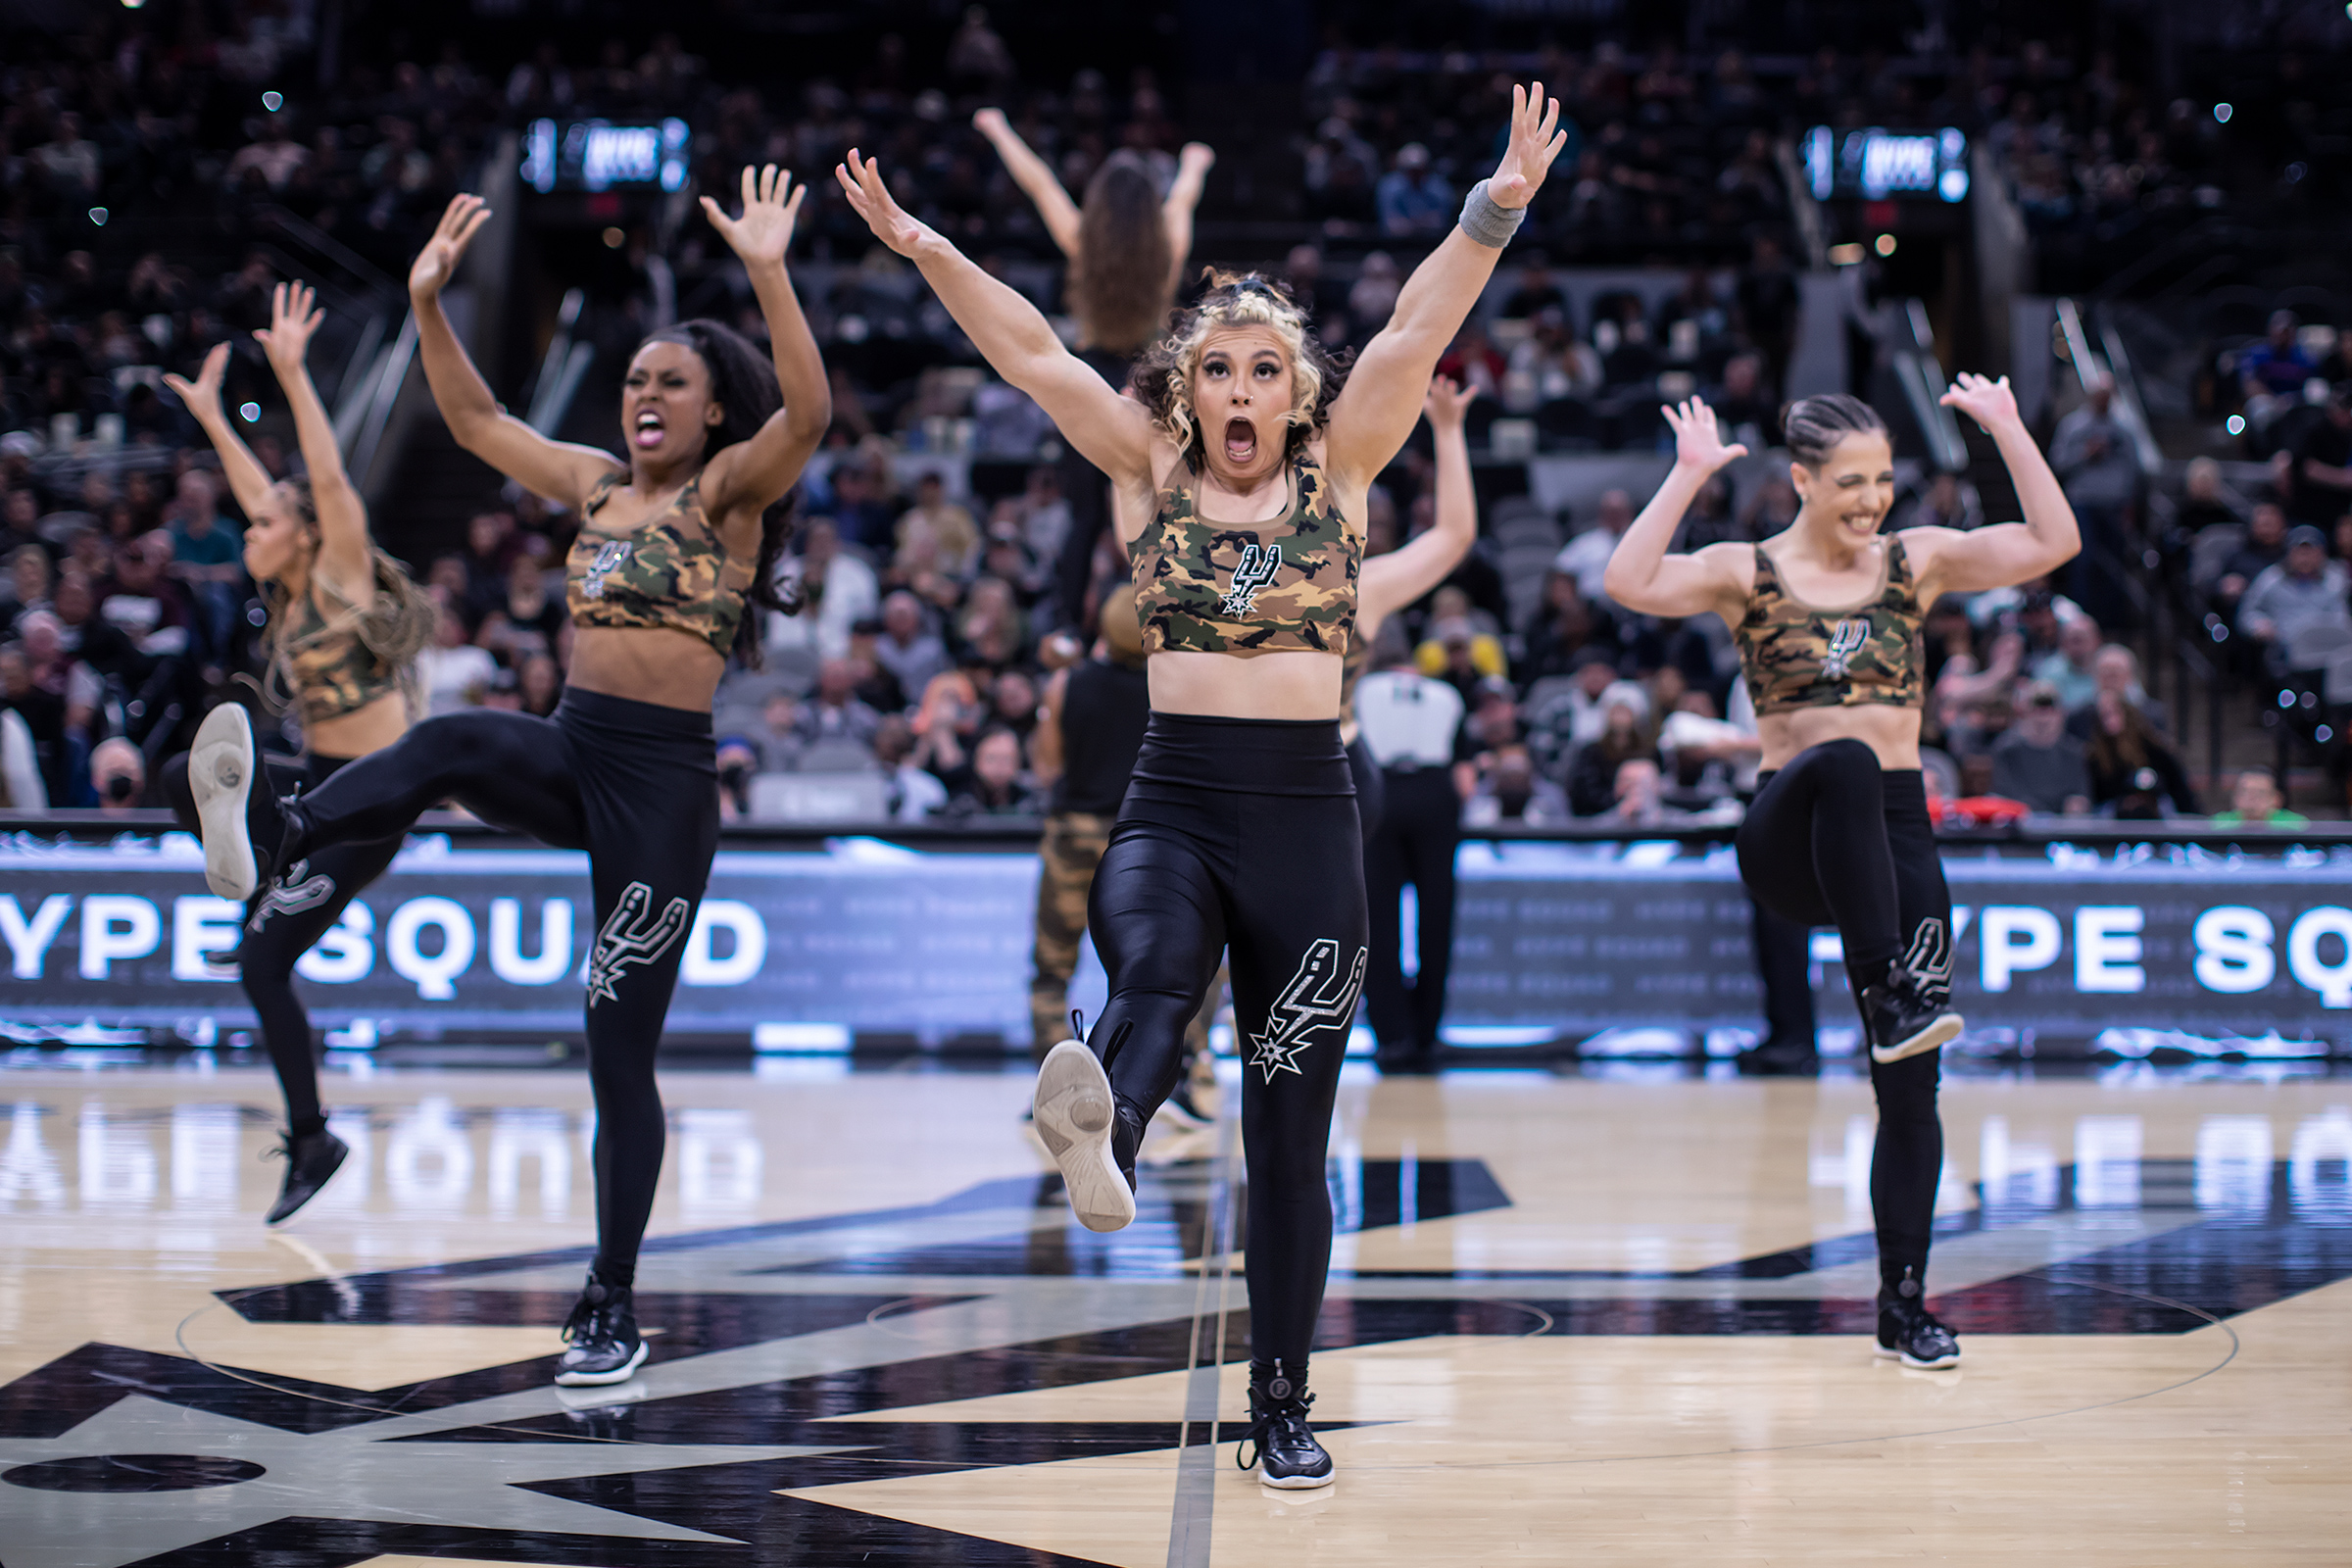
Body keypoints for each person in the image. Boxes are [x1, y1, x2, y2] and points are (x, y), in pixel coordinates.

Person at [838, 80, 1567, 1490]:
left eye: (1265, 369)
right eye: (1219, 368)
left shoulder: (1347, 470)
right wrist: (926, 246)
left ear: (1300, 392)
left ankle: (1279, 1403)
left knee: (1290, 1146)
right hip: (1171, 799)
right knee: (1158, 969)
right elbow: (1031, 352)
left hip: (1309, 823)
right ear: (1190, 389)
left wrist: (1497, 205)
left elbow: (1417, 327)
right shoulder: (1148, 466)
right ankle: (1103, 1119)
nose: (1240, 390)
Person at [185, 172, 829, 1386]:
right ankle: (284, 831)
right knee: (454, 741)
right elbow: (477, 420)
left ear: (711, 412)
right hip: (575, 746)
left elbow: (810, 410)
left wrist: (768, 269)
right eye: (633, 380)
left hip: (661, 791)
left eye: (669, 383)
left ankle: (610, 1301)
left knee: (614, 1052)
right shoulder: (595, 483)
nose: (644, 395)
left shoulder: (729, 493)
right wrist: (429, 303)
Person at [1601, 380, 2080, 1374]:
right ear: (1803, 481)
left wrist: (2006, 428)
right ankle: (1889, 991)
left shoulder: (1918, 560)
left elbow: (2052, 541)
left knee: (1912, 1092)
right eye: (1852, 482)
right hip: (1791, 830)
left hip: (1896, 840)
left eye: (1885, 481)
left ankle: (1904, 1305)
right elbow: (1629, 578)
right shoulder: (1746, 569)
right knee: (1847, 760)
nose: (1873, 501)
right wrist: (1687, 477)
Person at [158, 288, 436, 1224]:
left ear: (304, 534)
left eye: (266, 524)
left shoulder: (339, 572)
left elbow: (326, 482)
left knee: (262, 966)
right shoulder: (289, 576)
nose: (250, 529)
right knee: (180, 777)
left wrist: (291, 373)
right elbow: (264, 495)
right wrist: (211, 417)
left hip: (373, 802)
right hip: (319, 786)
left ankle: (313, 1139)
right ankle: (253, 872)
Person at [971, 110, 1213, 628]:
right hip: (1151, 381)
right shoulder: (1167, 246)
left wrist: (1000, 130)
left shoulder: (1083, 239)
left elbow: (1041, 183)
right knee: (1162, 505)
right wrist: (1195, 162)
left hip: (1089, 379)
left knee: (1084, 515)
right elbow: (1184, 197)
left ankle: (1067, 630)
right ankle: (1173, 616)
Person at [1027, 586, 1213, 1121]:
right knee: (1180, 966)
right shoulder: (1178, 687)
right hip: (1152, 837)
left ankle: (1053, 1091)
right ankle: (1179, 1078)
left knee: (1053, 966)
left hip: (1076, 835)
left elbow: (1046, 767)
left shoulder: (1067, 683)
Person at [1349, 378, 1481, 1074]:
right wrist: (1448, 428)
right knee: (1431, 916)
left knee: (1373, 919)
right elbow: (1466, 772)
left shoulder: (1361, 655)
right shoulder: (1441, 694)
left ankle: (1398, 1037)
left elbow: (1453, 537)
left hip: (1371, 786)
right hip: (1420, 791)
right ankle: (1422, 1036)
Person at [2210, 766, 2307, 829]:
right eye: (2245, 792)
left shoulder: (2295, 825)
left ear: (2276, 799)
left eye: (2260, 793)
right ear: (2235, 796)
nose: (2252, 798)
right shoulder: (2217, 825)